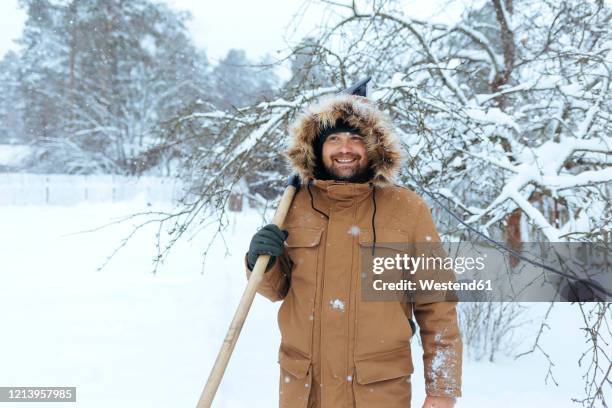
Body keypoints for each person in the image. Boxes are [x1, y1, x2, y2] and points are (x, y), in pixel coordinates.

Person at [245, 82, 462, 408]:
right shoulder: (295, 205)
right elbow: (277, 290)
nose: (344, 148)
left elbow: (437, 304)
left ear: (374, 146)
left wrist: (442, 389)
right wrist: (261, 261)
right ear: (316, 147)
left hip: (376, 391)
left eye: (356, 139)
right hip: (305, 389)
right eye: (334, 138)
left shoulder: (408, 209)